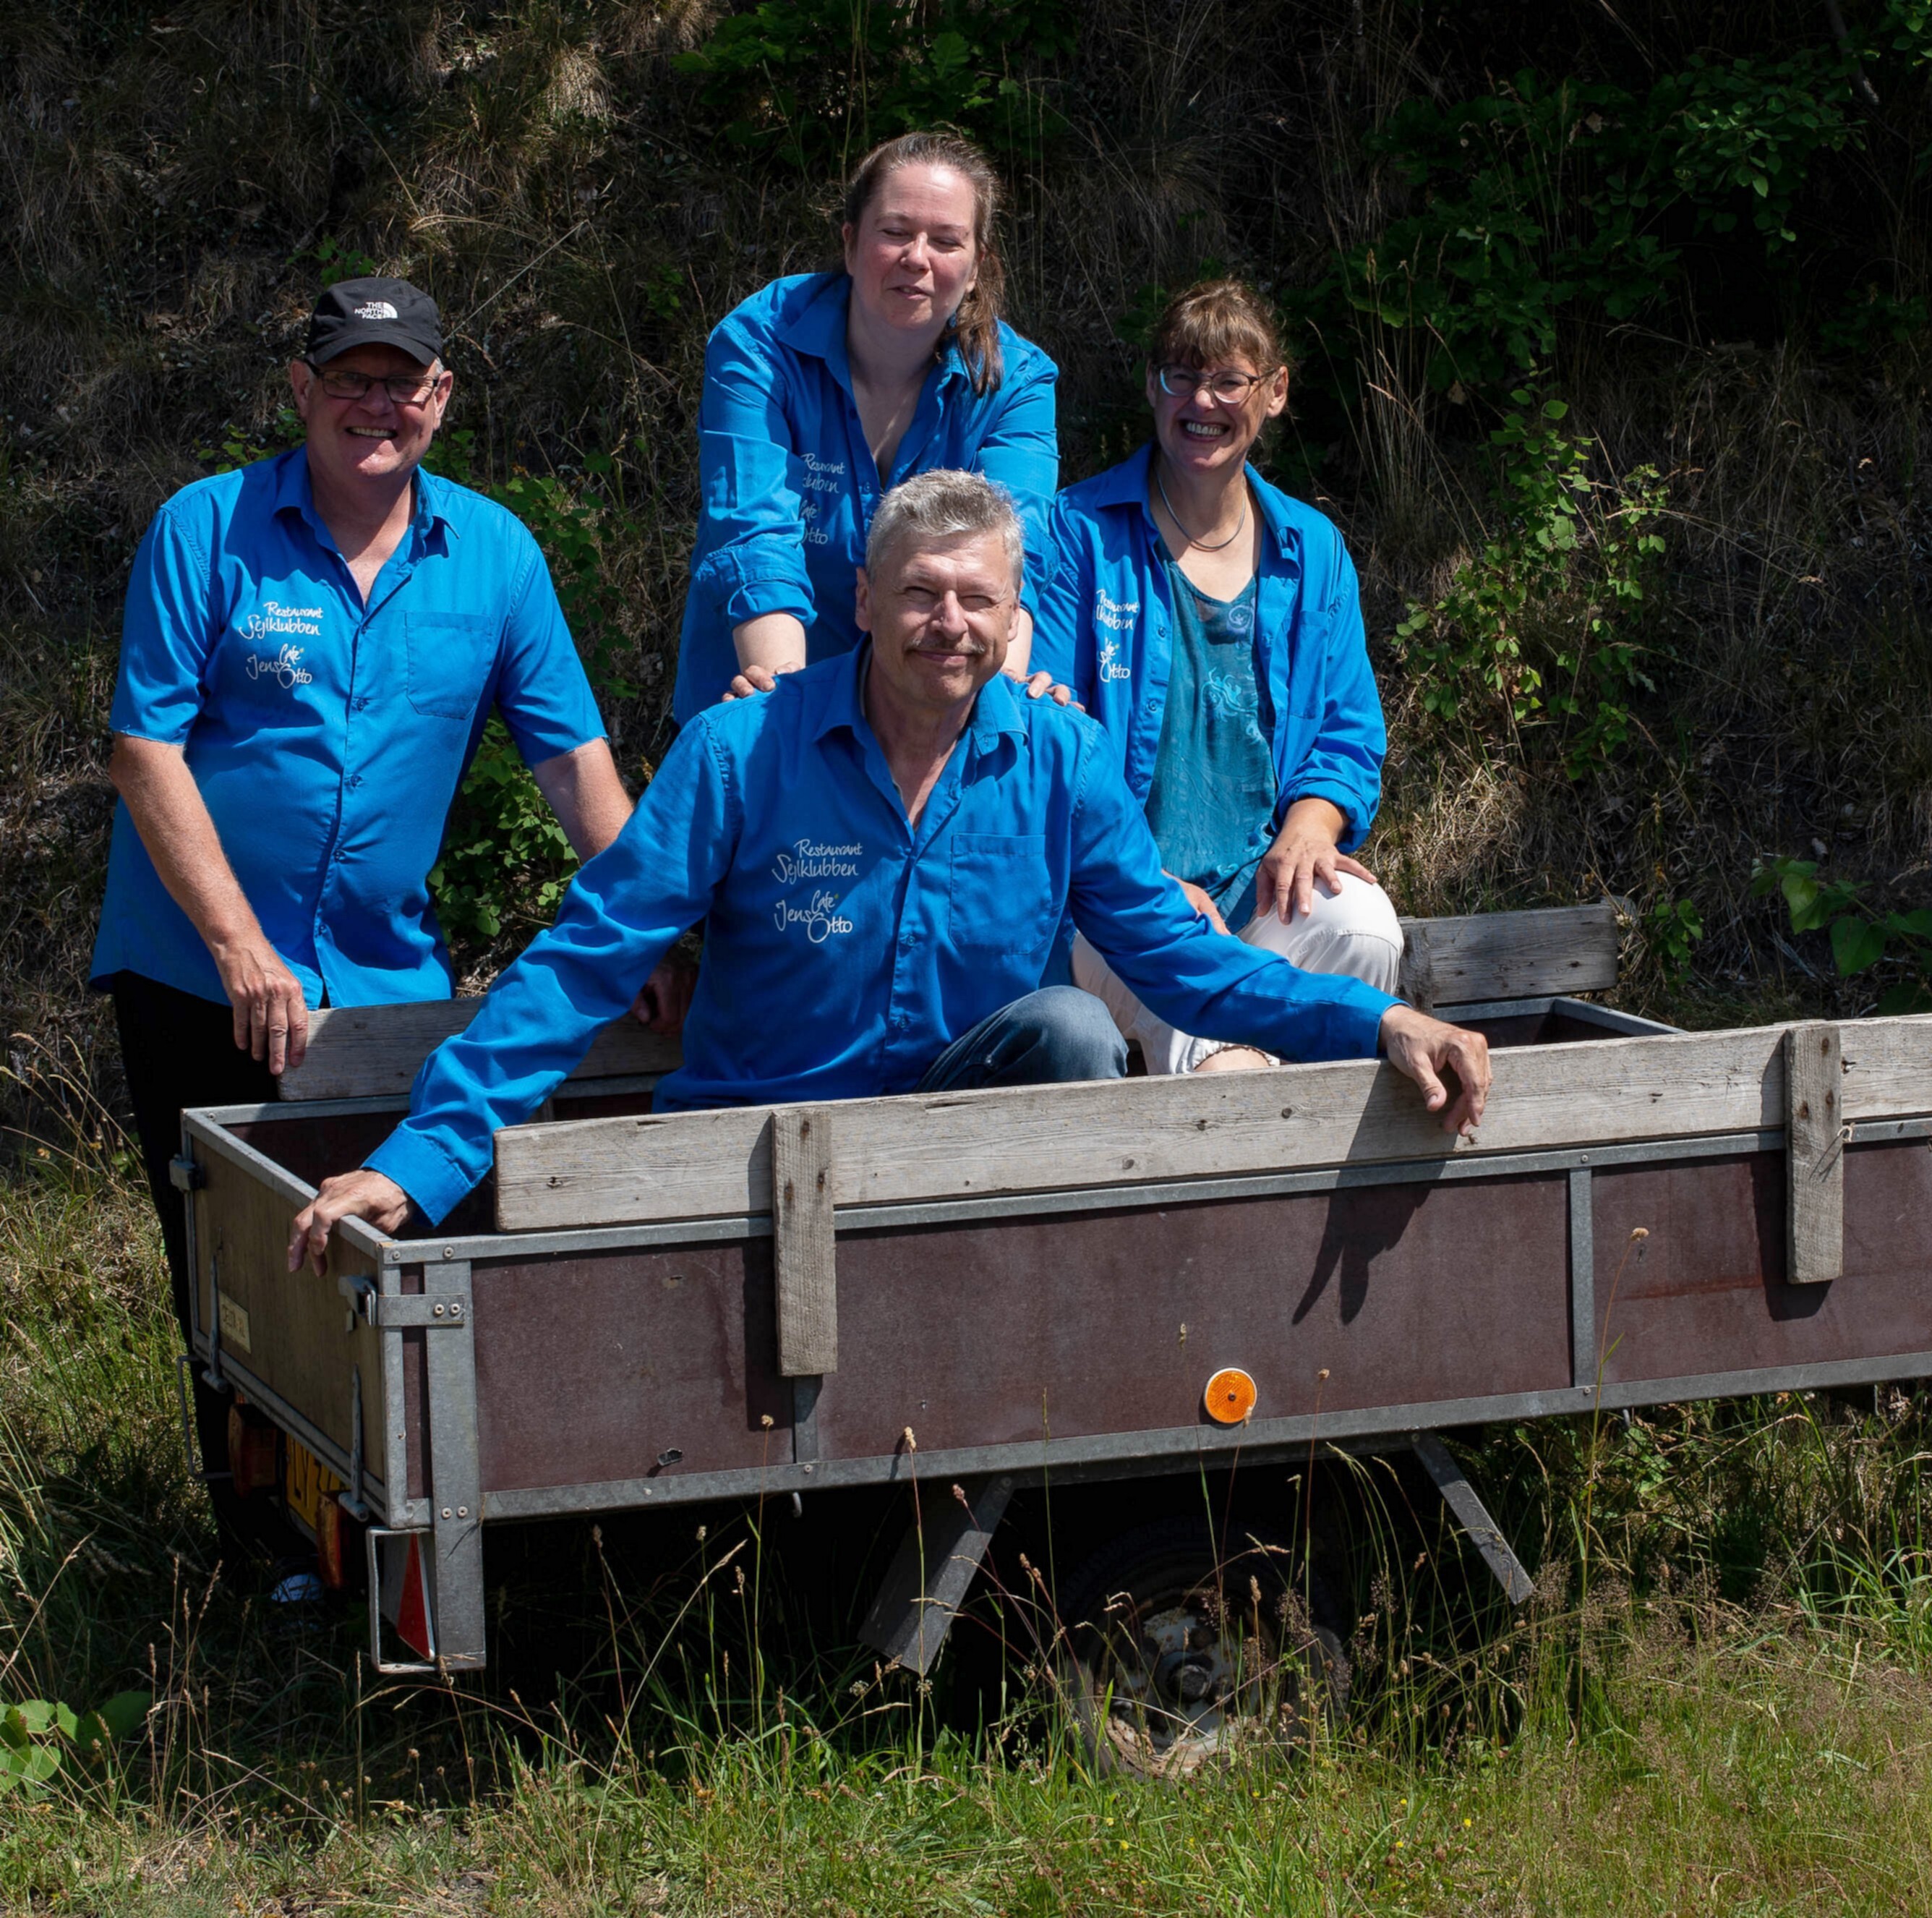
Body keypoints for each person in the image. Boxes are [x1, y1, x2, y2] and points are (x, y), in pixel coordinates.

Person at [288, 470, 1491, 1254]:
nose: (947, 624)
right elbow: (585, 963)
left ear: (1016, 616)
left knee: (1074, 1026)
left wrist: (1378, 1020)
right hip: (751, 1158)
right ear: (861, 600)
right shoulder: (743, 750)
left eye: (977, 600)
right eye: (918, 592)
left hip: (952, 1168)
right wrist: (426, 1159)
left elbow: (1190, 967)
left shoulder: (1062, 763)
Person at [97, 276, 672, 1567]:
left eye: (401, 381)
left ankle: (393, 1523)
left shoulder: (496, 555)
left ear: (441, 399)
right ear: (301, 391)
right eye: (349, 378)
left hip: (382, 980)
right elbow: (146, 750)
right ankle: (261, 1552)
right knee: (230, 1268)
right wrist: (242, 947)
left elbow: (575, 767)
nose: (377, 404)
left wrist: (643, 929)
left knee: (380, 1248)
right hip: (196, 971)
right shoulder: (209, 529)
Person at [1030, 279, 1401, 1075]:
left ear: (1274, 394)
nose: (1203, 400)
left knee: (1366, 929)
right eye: (1181, 377)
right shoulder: (1077, 534)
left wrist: (1313, 825)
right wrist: (1141, 877)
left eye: (1229, 380)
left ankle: (1331, 1155)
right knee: (1220, 1050)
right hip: (1114, 904)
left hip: (1257, 887)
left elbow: (1346, 727)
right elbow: (1048, 733)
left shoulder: (1312, 547)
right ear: (1151, 388)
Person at [670, 131, 1058, 727]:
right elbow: (751, 531)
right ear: (850, 244)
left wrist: (996, 704)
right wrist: (787, 716)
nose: (918, 258)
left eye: (947, 240)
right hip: (766, 694)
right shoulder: (757, 344)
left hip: (929, 714)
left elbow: (1012, 555)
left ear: (978, 266)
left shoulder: (1017, 381)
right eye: (895, 232)